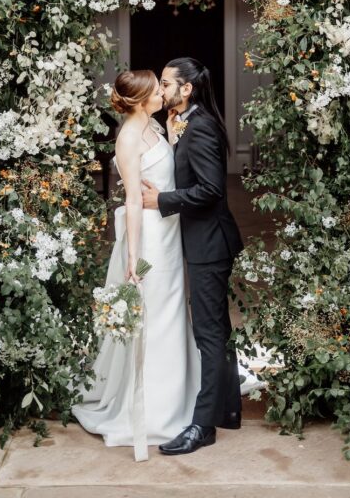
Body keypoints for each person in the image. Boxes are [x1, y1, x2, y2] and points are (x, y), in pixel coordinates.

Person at [71, 69, 201, 460]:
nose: (163, 94)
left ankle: (181, 392)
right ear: (142, 99)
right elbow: (130, 199)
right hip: (148, 240)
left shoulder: (156, 127)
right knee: (153, 315)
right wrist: (132, 257)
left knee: (174, 310)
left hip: (169, 231)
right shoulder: (128, 138)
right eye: (156, 91)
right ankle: (159, 410)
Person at [141, 57, 244, 456]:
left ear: (187, 89)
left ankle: (202, 426)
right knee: (216, 328)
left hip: (210, 244)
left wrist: (161, 200)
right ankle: (228, 410)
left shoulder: (200, 128)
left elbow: (212, 190)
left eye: (166, 83)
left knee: (208, 332)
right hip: (204, 242)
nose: (160, 89)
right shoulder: (185, 121)